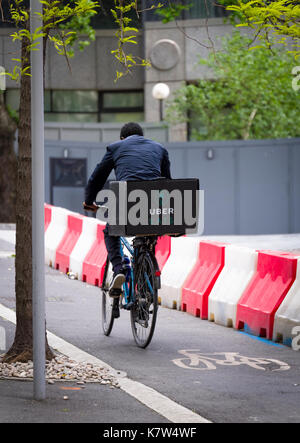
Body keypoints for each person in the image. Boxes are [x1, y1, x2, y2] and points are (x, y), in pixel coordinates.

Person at [83, 122, 171, 294]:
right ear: (142, 136)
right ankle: (147, 279)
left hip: (126, 198)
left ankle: (118, 269)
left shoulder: (116, 147)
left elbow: (98, 177)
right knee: (150, 231)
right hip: (154, 202)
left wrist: (89, 201)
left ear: (123, 138)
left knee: (111, 231)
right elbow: (167, 181)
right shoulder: (159, 148)